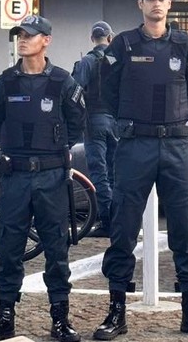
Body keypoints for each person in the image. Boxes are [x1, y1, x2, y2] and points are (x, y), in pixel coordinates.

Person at [94, 0, 188, 340]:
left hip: (177, 146)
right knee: (123, 228)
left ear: (169, 4)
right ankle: (116, 310)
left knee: (185, 227)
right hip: (136, 145)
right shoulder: (123, 44)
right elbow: (108, 89)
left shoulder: (183, 43)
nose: (156, 4)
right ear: (140, 4)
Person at [0, 14, 86, 342]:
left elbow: (76, 124)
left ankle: (60, 318)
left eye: (30, 35)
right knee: (9, 248)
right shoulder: (5, 83)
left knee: (56, 247)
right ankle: (4, 316)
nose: (23, 40)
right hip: (15, 177)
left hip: (52, 177)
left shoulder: (63, 83)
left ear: (46, 40)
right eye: (19, 35)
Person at [72, 20, 118, 238]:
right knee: (115, 174)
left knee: (99, 173)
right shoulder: (119, 61)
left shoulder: (87, 62)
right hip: (117, 122)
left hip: (95, 121)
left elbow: (73, 93)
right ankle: (119, 220)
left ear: (92, 39)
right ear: (110, 38)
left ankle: (107, 221)